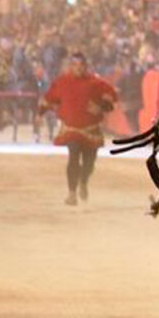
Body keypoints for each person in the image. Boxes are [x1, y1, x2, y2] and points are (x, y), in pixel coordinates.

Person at [42, 52, 118, 206]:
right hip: (71, 129)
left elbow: (111, 99)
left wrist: (101, 107)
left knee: (89, 164)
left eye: (81, 65)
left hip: (91, 131)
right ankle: (71, 193)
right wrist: (40, 112)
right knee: (73, 157)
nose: (79, 68)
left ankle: (83, 181)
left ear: (86, 66)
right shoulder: (62, 82)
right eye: (75, 65)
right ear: (71, 66)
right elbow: (50, 98)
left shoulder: (96, 83)